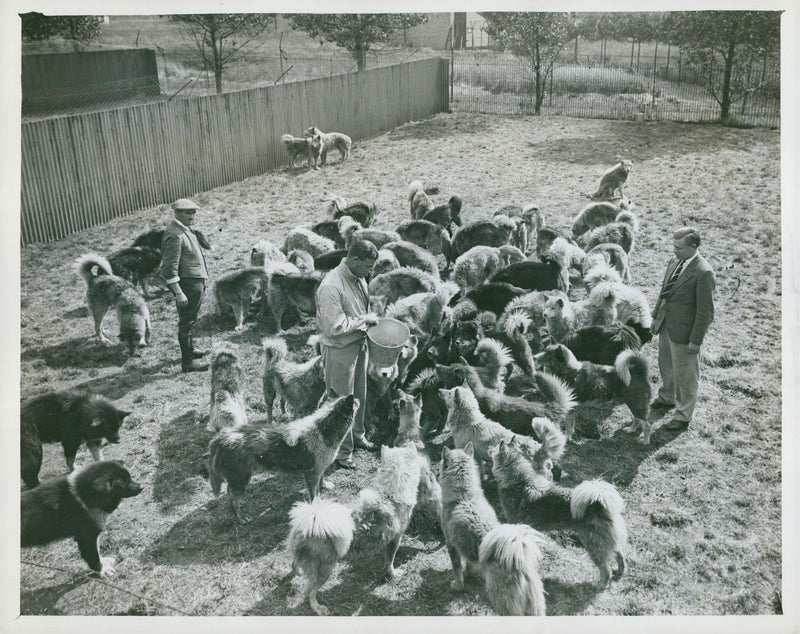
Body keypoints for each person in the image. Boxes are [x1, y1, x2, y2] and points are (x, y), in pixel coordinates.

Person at [315, 240, 380, 469]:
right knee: (341, 402)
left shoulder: (357, 276)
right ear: (354, 260)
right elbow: (335, 326)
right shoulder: (332, 286)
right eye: (367, 267)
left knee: (359, 395)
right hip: (340, 350)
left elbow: (359, 307)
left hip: (358, 343)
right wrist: (364, 319)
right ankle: (342, 453)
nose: (369, 272)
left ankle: (358, 435)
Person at [651, 227, 715, 431]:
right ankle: (667, 397)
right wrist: (655, 317)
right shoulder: (674, 262)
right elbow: (664, 292)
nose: (674, 250)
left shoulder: (704, 272)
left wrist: (695, 340)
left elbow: (706, 312)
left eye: (679, 247)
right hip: (666, 326)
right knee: (666, 366)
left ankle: (683, 414)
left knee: (686, 376)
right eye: (673, 246)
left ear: (693, 247)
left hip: (685, 333)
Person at [160, 198, 210, 373]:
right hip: (188, 284)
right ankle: (188, 363)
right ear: (177, 213)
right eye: (187, 213)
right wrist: (179, 293)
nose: (192, 216)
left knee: (191, 320)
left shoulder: (184, 229)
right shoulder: (174, 234)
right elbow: (169, 269)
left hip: (195, 281)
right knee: (186, 323)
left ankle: (191, 350)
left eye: (193, 212)